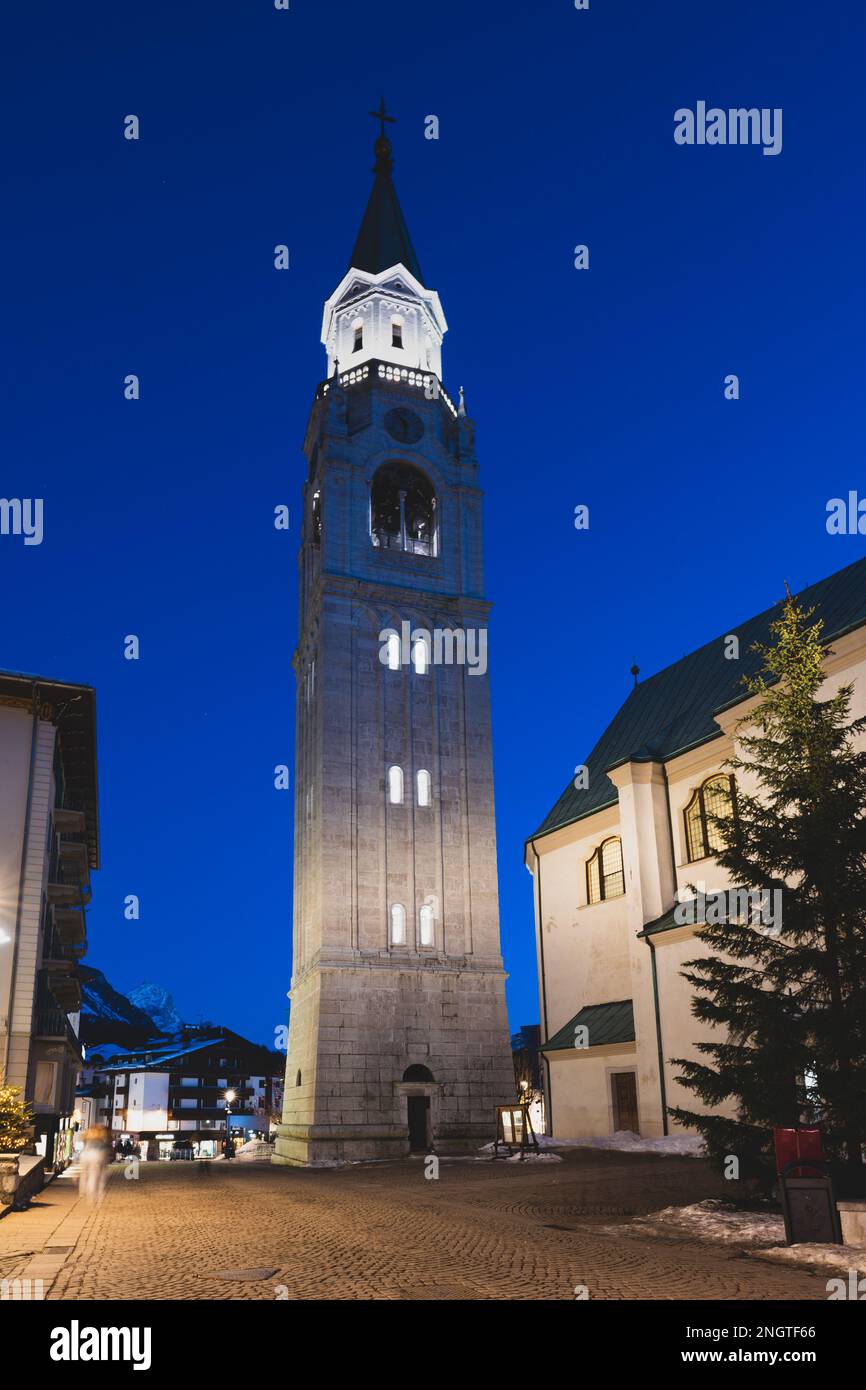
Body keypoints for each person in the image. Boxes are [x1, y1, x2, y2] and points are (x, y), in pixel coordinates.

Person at [78, 1124, 111, 1204]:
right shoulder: (101, 1136)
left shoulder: (86, 1136)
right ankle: (92, 1196)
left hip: (85, 1155)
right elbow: (106, 1148)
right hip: (96, 1155)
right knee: (94, 1176)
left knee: (84, 1175)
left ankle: (83, 1192)